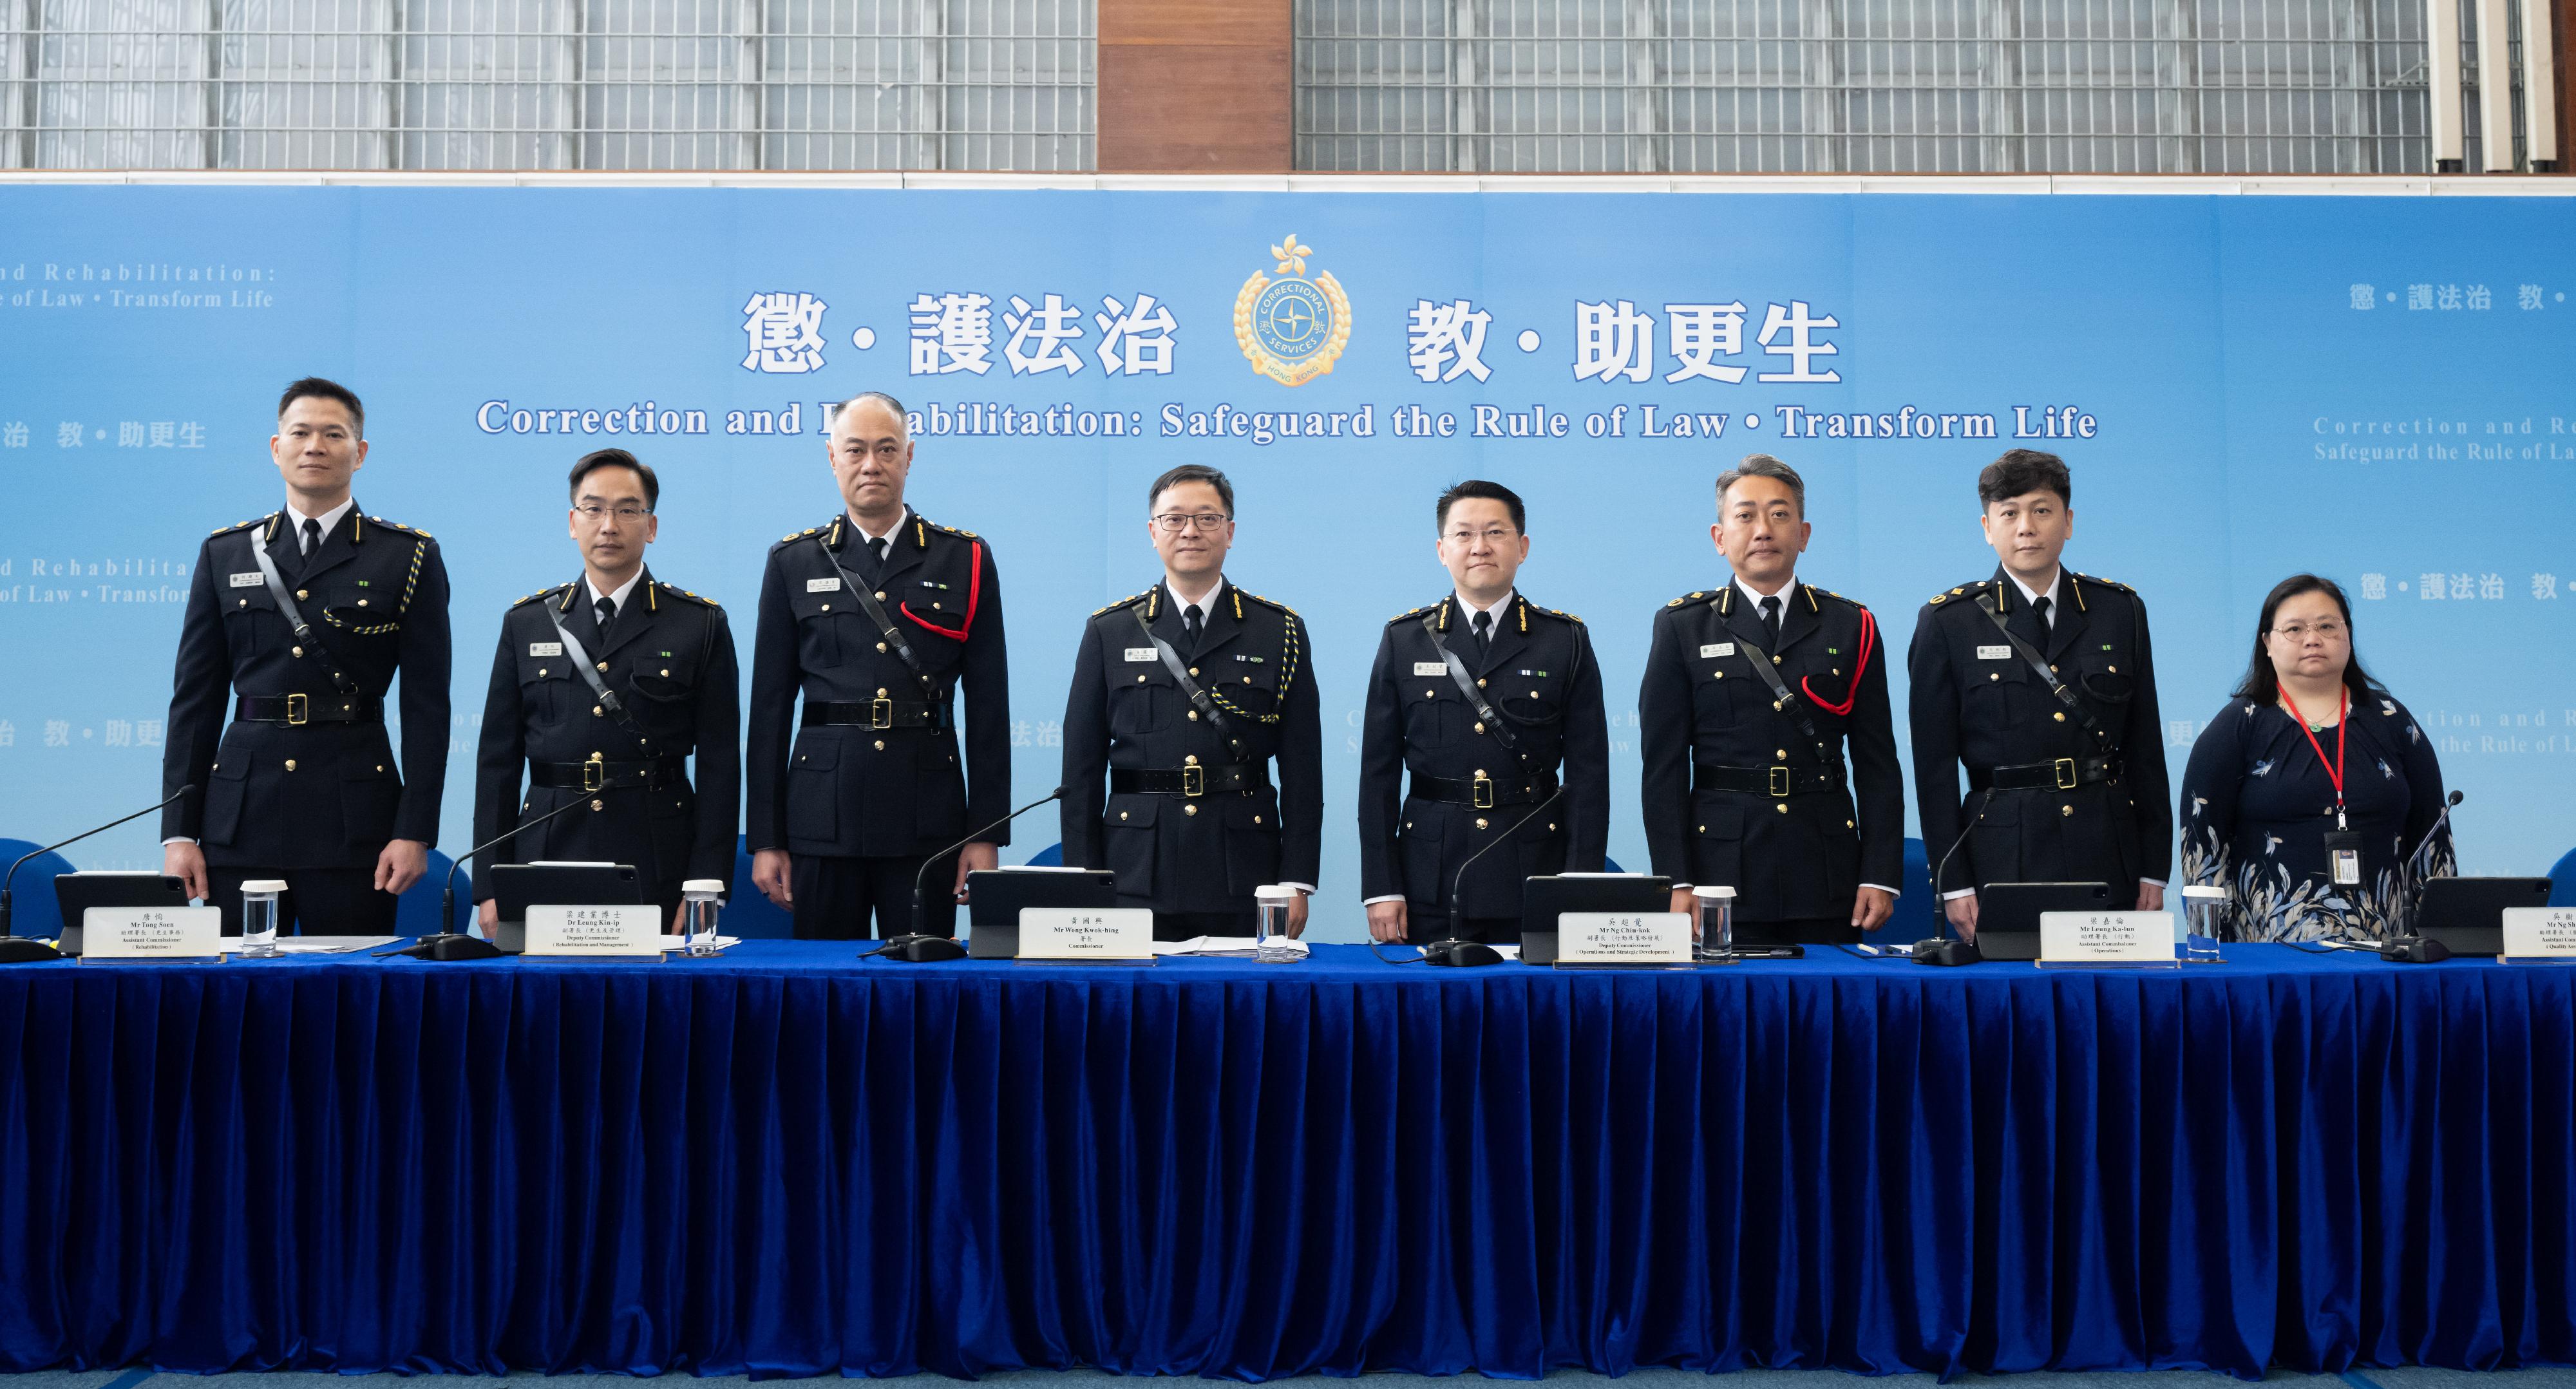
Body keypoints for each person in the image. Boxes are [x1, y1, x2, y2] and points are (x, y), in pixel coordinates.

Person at [160, 377, 451, 935]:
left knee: (352, 999)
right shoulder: (225, 553)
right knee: (237, 1001)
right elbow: (194, 703)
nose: (315, 445)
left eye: (333, 434)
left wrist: (415, 830)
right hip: (239, 820)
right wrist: (179, 833)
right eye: (300, 432)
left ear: (359, 453)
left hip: (354, 823)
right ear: (277, 448)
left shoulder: (407, 556)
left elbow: (426, 708)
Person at [745, 392, 1010, 940]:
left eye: (887, 449)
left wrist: (985, 834)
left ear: (909, 456)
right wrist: (767, 837)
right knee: (821, 995)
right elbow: (769, 709)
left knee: (925, 991)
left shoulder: (964, 557)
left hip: (926, 817)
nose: (872, 465)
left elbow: (989, 709)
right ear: (832, 457)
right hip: (823, 817)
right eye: (856, 449)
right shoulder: (792, 561)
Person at [1638, 454, 1902, 945]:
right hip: (1720, 872)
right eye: (1745, 516)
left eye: (1779, 514)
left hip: (1825, 867)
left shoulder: (1851, 624)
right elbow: (1664, 769)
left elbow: (1877, 762)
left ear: (1803, 533)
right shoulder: (1681, 627)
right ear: (1720, 538)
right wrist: (1676, 879)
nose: (1763, 529)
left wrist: (1880, 873)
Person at [1906, 449, 2170, 940]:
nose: (2026, 526)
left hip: (2105, 848)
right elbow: (1934, 770)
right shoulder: (1949, 622)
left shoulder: (2120, 611)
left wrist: (2154, 866)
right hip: (2003, 855)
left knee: (2106, 1002)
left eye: (2042, 510)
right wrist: (1953, 882)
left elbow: (2145, 748)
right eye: (2009, 513)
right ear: (1988, 527)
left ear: (2068, 522)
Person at [471, 449, 738, 929]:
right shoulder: (527, 623)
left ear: (651, 526)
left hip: (657, 852)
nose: (609, 524)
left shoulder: (698, 624)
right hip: (548, 846)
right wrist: (488, 888)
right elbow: (497, 762)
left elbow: (721, 767)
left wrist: (704, 885)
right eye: (593, 509)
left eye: (627, 509)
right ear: (573, 522)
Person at [1060, 464, 1321, 941]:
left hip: (1246, 874)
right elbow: (1080, 770)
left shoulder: (1279, 630)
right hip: (1136, 871)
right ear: (1152, 532)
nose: (1190, 531)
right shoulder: (1109, 631)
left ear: (1230, 532)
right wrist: (1084, 876)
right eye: (1174, 519)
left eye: (1207, 518)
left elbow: (1304, 770)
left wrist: (1296, 878)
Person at [1357, 480, 1608, 943]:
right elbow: (1378, 776)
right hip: (1429, 879)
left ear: (1522, 546)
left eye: (1495, 532)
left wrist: (1581, 884)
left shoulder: (1564, 640)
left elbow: (1589, 778)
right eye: (1463, 534)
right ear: (1441, 549)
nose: (1480, 547)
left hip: (1535, 872)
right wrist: (1380, 886)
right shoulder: (1403, 638)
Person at [2177, 574, 2453, 941]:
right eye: (2294, 629)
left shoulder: (2391, 719)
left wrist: (2441, 941)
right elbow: (2202, 846)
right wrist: (2208, 951)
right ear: (2268, 644)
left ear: (2348, 636)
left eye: (2327, 626)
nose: (2313, 638)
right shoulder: (2237, 726)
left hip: (2386, 953)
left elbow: (2433, 841)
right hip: (2268, 957)